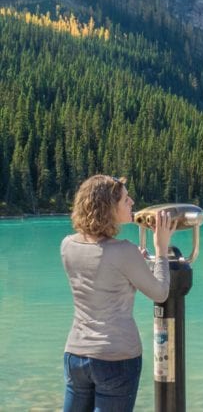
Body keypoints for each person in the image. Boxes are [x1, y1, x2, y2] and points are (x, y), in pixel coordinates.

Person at [61, 175, 177, 411]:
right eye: (125, 199)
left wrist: (135, 265)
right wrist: (162, 251)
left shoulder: (67, 245)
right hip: (117, 358)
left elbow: (102, 276)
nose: (132, 201)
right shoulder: (125, 251)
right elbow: (160, 293)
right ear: (108, 208)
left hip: (76, 354)